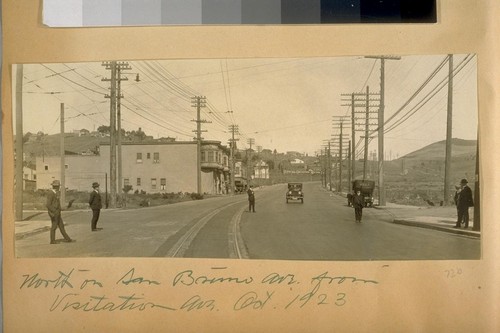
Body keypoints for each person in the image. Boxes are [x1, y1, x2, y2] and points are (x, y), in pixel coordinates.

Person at [46, 180, 75, 244]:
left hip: (57, 213)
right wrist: (54, 211)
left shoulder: (55, 193)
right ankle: (52, 241)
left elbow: (58, 206)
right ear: (55, 186)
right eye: (58, 186)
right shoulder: (51, 193)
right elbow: (48, 205)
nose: (59, 187)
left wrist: (68, 206)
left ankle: (68, 239)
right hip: (54, 213)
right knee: (54, 226)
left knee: (61, 226)